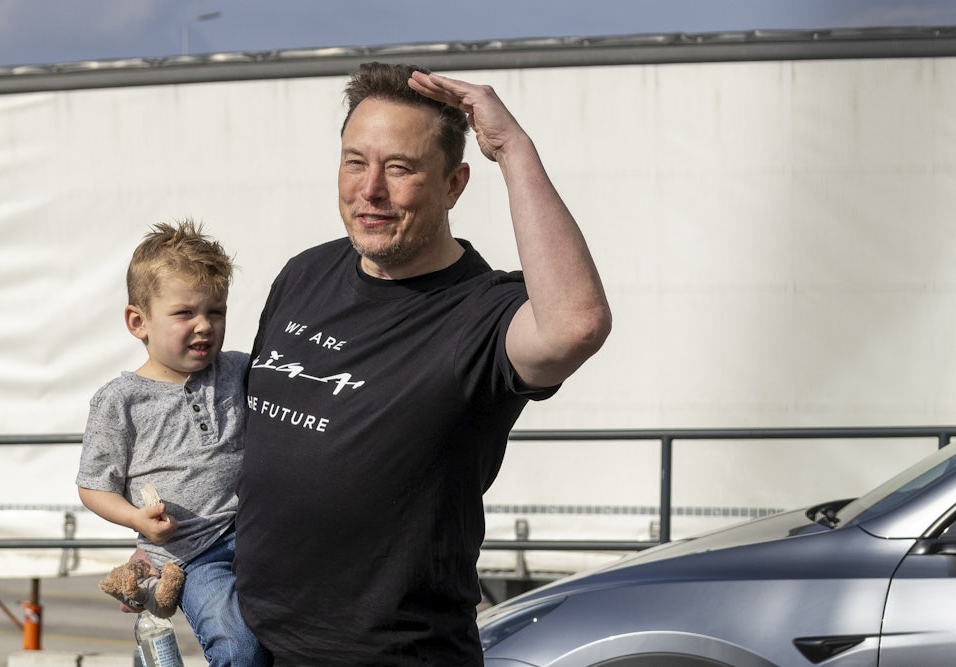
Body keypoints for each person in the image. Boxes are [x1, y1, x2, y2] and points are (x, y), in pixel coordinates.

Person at [235, 62, 612, 666]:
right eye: (355, 162)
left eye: (400, 168)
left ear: (455, 184)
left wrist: (513, 149)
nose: (371, 190)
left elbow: (575, 326)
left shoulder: (483, 314)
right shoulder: (305, 274)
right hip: (252, 644)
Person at [76, 220, 269, 667]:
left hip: (262, 533)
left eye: (215, 311)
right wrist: (137, 520)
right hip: (195, 556)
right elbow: (93, 486)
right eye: (185, 313)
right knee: (239, 647)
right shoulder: (120, 401)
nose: (204, 326)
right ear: (137, 322)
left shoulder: (239, 369)